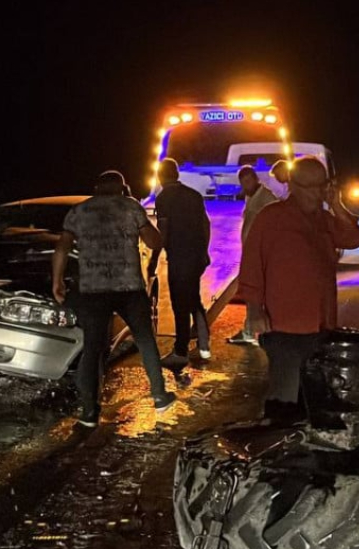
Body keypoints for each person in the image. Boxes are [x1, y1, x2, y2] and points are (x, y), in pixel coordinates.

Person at [237, 156, 359, 422]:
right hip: (284, 327)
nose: (318, 193)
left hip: (321, 325)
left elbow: (354, 238)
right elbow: (251, 265)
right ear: (293, 186)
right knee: (284, 399)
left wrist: (336, 204)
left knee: (315, 396)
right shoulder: (271, 217)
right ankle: (279, 453)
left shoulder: (324, 219)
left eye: (323, 186)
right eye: (312, 187)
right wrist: (254, 309)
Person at [52, 170, 176, 427]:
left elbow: (62, 247)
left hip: (93, 291)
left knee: (93, 348)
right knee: (144, 340)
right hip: (129, 288)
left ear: (97, 188)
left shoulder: (78, 211)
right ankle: (160, 396)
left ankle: (88, 411)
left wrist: (57, 282)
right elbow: (154, 242)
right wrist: (153, 229)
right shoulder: (131, 207)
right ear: (122, 188)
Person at [153, 158, 212, 366]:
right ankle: (204, 345)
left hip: (179, 257)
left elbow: (163, 231)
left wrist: (154, 258)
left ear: (161, 176)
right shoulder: (194, 195)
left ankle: (180, 351)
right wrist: (204, 251)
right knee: (194, 299)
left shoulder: (163, 198)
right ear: (176, 174)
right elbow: (206, 224)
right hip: (196, 255)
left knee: (180, 303)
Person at [225, 165, 280, 345]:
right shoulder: (252, 197)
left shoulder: (267, 198)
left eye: (248, 181)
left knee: (260, 292)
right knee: (252, 291)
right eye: (243, 182)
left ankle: (265, 331)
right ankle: (251, 331)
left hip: (262, 254)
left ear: (255, 179)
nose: (245, 185)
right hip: (252, 252)